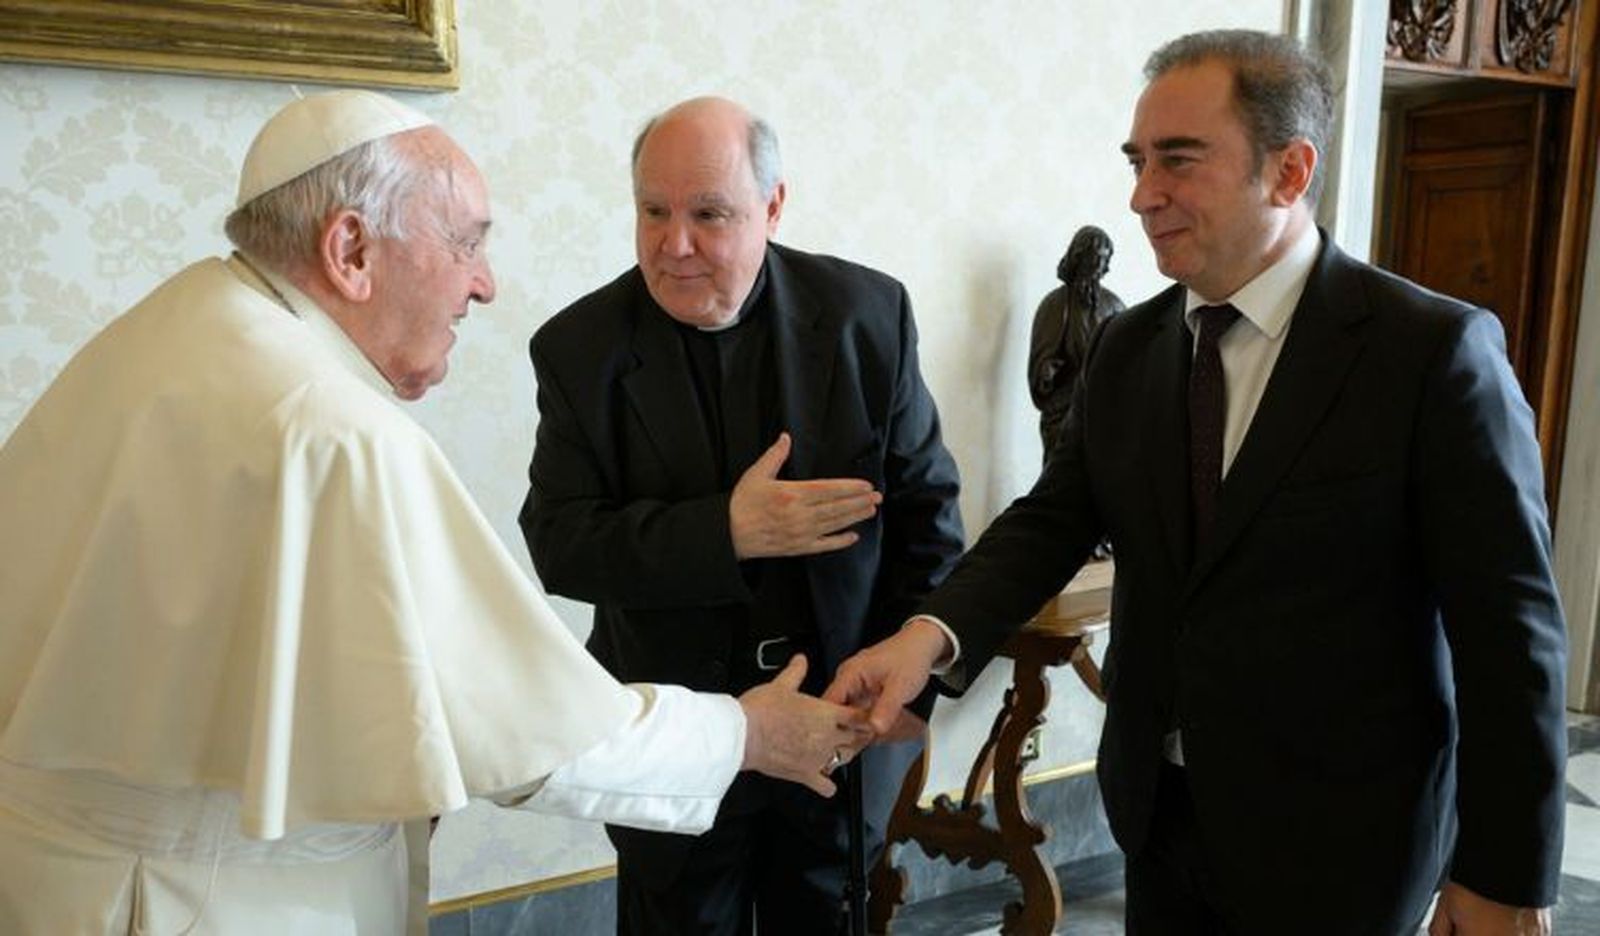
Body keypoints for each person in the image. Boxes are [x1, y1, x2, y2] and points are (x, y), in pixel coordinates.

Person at [0, 89, 871, 936]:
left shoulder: (171, 328)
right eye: (465, 242)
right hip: (213, 900)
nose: (484, 285)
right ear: (351, 249)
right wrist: (743, 734)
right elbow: (524, 732)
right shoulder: (331, 430)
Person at [826, 29, 1566, 936]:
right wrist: (927, 637)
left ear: (1289, 171)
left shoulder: (1430, 353)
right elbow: (1051, 522)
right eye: (1137, 161)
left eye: (1178, 160)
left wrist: (1503, 875)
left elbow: (1511, 631)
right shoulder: (1128, 347)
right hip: (1159, 820)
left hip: (1345, 842)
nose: (1142, 195)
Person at [520, 96, 964, 935]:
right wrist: (725, 531)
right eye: (654, 211)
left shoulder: (868, 317)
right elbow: (560, 543)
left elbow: (928, 519)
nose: (674, 244)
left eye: (709, 215)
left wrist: (910, 697)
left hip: (841, 727)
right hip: (675, 738)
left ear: (773, 205)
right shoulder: (579, 348)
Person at [1027, 224, 1124, 459]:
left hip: (1104, 411)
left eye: (1106, 260)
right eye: (1098, 259)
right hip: (1064, 412)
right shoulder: (1056, 305)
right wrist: (1046, 373)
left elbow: (1128, 359)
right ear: (1080, 256)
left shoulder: (1114, 306)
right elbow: (1041, 364)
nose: (1104, 268)